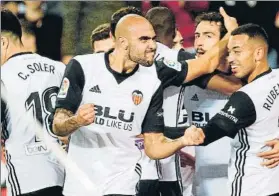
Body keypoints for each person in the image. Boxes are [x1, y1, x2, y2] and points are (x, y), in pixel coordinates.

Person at [52, 14, 204, 196]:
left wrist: (182, 141)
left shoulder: (152, 82)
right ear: (123, 43)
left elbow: (153, 146)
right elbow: (57, 126)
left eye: (153, 39)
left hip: (123, 185)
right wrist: (76, 121)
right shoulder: (82, 67)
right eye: (144, 40)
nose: (153, 46)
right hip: (81, 185)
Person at [193, 23, 279, 196]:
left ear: (259, 53)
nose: (231, 58)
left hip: (250, 187)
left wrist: (158, 135)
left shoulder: (246, 96)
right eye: (229, 52)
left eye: (237, 51)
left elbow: (207, 134)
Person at [1, 9, 65, 196]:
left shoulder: (3, 77)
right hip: (66, 177)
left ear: (3, 42)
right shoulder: (60, 69)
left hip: (27, 179)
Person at [184, 11, 233, 196]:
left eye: (208, 35)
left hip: (241, 183)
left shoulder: (252, 82)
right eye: (197, 35)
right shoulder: (185, 76)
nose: (199, 42)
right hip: (199, 186)